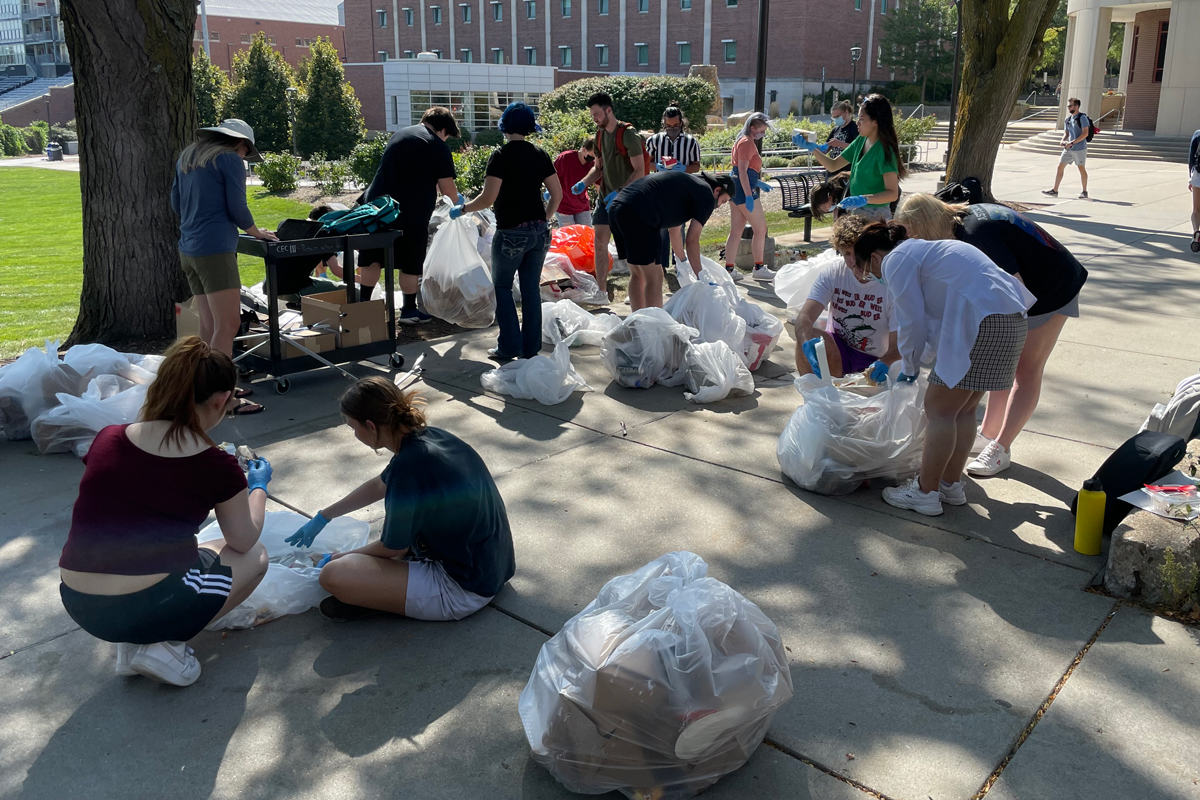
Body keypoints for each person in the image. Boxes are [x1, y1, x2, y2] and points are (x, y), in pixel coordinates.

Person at [57, 336, 272, 686]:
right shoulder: (213, 463)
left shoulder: (109, 437)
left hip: (79, 601)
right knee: (256, 556)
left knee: (208, 549)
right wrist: (258, 486)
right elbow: (245, 539)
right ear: (220, 400)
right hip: (148, 604)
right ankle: (166, 645)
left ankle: (137, 643)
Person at [284, 377, 516, 623]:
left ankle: (382, 601)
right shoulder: (431, 438)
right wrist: (324, 516)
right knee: (363, 561)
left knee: (333, 575)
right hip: (493, 569)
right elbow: (379, 484)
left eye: (354, 428)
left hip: (462, 589)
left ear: (371, 426)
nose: (355, 434)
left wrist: (337, 558)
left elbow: (394, 547)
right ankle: (386, 594)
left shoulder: (408, 467)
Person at [894, 194, 1088, 476]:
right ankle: (988, 433)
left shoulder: (977, 235)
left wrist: (993, 334)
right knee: (1003, 370)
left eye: (918, 235)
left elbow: (1013, 294)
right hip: (1032, 283)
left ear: (926, 223)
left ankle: (1001, 447)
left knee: (1026, 369)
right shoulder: (964, 219)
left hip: (1052, 288)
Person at [851, 222, 1036, 516]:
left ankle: (925, 493)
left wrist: (909, 367)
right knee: (962, 410)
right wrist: (911, 359)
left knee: (938, 410)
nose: (871, 276)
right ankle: (949, 485)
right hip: (1010, 320)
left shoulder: (897, 261)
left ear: (875, 257)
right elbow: (934, 323)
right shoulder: (926, 251)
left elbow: (913, 322)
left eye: (866, 269)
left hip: (982, 322)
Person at [171, 118, 275, 414]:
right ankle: (223, 398)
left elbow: (176, 204)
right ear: (240, 144)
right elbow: (237, 207)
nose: (245, 157)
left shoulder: (187, 157)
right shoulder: (229, 159)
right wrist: (257, 232)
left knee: (208, 324)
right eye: (246, 152)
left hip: (188, 248)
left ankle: (203, 388)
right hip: (215, 249)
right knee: (228, 324)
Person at [452, 102, 563, 362]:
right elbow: (557, 194)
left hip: (511, 231)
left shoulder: (500, 155)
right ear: (529, 127)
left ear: (504, 126)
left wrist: (464, 208)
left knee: (502, 287)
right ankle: (530, 348)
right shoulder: (540, 153)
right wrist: (543, 219)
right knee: (531, 290)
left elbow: (488, 198)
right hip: (539, 231)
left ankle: (509, 347)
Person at [363, 106, 463, 325]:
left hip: (377, 208)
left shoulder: (399, 135)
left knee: (373, 258)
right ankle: (408, 311)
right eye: (447, 136)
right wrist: (461, 204)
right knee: (411, 261)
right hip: (411, 213)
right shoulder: (436, 145)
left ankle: (361, 307)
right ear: (443, 129)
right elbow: (447, 189)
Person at [793, 214, 899, 381]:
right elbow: (804, 317)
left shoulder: (889, 282)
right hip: (839, 348)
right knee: (809, 336)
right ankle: (815, 397)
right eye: (846, 253)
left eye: (856, 252)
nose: (852, 261)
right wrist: (806, 343)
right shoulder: (834, 272)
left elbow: (898, 345)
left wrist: (885, 361)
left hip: (877, 358)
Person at [608, 171, 735, 310]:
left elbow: (674, 231)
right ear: (717, 190)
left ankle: (639, 324)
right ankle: (656, 326)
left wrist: (683, 261)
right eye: (723, 201)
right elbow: (692, 240)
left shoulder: (689, 185)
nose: (719, 206)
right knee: (655, 276)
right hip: (641, 214)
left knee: (638, 274)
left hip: (618, 207)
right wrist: (701, 276)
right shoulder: (707, 196)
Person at [570, 92, 647, 297]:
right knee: (600, 243)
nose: (594, 118)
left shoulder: (628, 134)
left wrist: (620, 192)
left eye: (597, 114)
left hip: (628, 200)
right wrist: (583, 183)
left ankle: (638, 289)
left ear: (608, 110)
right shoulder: (599, 135)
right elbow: (598, 168)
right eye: (592, 114)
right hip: (605, 199)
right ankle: (601, 293)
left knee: (630, 246)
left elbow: (639, 170)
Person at [794, 94, 906, 222]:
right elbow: (833, 165)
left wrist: (864, 199)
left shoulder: (884, 151)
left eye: (862, 119)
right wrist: (812, 148)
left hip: (877, 217)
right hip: (857, 213)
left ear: (876, 122)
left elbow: (892, 194)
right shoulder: (861, 140)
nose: (857, 122)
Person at [646, 103, 703, 275]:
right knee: (661, 228)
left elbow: (696, 166)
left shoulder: (691, 142)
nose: (672, 129)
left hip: (681, 190)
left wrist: (683, 168)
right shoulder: (654, 140)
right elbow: (644, 163)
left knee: (679, 229)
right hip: (659, 189)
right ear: (663, 123)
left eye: (675, 126)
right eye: (668, 126)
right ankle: (661, 266)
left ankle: (680, 264)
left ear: (681, 123)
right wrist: (656, 165)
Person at [723, 112, 777, 283]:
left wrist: (758, 183)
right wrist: (749, 194)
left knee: (736, 231)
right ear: (753, 128)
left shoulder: (742, 140)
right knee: (760, 229)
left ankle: (729, 269)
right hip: (743, 190)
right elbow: (743, 172)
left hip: (736, 189)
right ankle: (759, 267)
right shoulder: (747, 143)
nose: (763, 134)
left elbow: (740, 172)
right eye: (762, 130)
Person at [1043, 98, 1090, 199]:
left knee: (1081, 168)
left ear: (1076, 106)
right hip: (1068, 148)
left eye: (1070, 106)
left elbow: (1085, 133)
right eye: (1068, 106)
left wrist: (1072, 142)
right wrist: (1063, 140)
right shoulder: (1068, 119)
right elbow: (1067, 133)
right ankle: (1055, 190)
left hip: (1079, 148)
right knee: (1060, 167)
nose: (1068, 108)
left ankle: (1084, 191)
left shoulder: (1082, 118)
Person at [552, 138, 596, 227]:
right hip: (564, 206)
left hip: (582, 205)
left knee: (586, 236)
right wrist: (550, 192)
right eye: (592, 155)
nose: (593, 158)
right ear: (584, 150)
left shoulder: (592, 164)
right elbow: (552, 178)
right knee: (570, 238)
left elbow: (598, 184)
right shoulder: (565, 158)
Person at [823, 100, 859, 172]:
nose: (836, 119)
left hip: (847, 171)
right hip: (833, 171)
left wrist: (840, 144)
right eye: (834, 118)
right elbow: (825, 149)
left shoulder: (855, 128)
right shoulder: (836, 129)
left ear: (846, 112)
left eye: (838, 116)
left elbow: (857, 148)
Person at [1189, 129, 1200, 253]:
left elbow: (1191, 158)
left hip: (1198, 174)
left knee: (1196, 210)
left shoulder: (1197, 134)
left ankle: (1197, 233)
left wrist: (1190, 178)